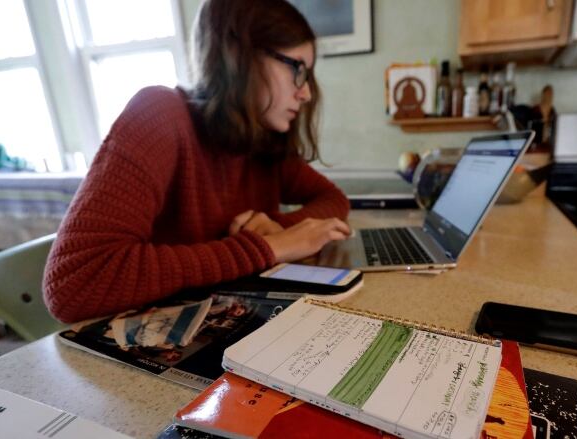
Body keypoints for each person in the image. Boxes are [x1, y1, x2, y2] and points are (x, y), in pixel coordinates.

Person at [43, 0, 351, 323]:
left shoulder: (261, 138)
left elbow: (333, 199)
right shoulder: (158, 116)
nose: (306, 94)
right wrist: (266, 248)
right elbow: (73, 283)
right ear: (240, 55)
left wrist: (277, 229)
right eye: (296, 68)